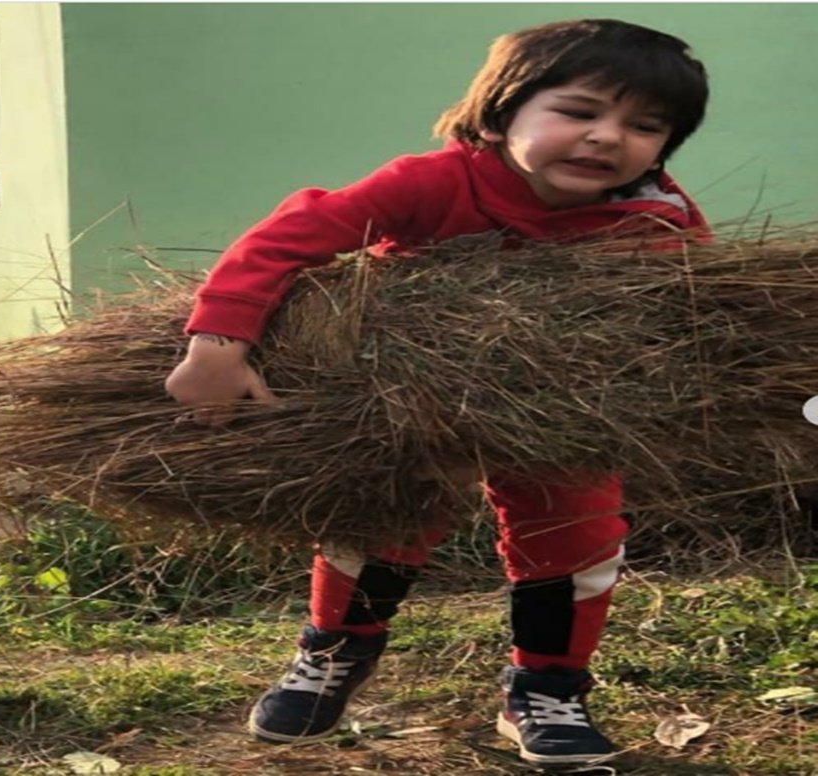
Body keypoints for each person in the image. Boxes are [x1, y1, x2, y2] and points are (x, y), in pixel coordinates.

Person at [165, 18, 710, 767]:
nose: (608, 138)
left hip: (566, 416)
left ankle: (546, 690)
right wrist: (217, 346)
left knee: (576, 536)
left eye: (644, 126)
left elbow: (696, 319)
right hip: (408, 404)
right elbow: (291, 235)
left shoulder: (657, 223)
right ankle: (334, 655)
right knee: (380, 520)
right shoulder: (435, 183)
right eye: (579, 112)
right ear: (500, 111)